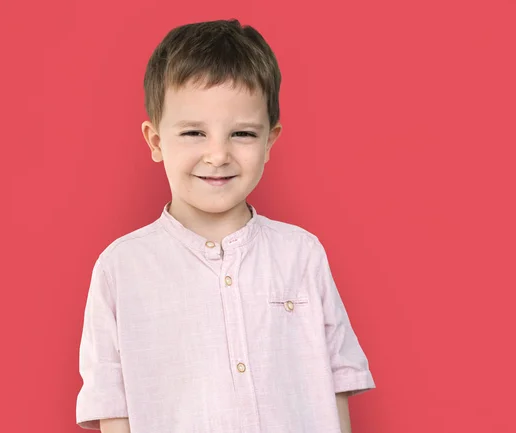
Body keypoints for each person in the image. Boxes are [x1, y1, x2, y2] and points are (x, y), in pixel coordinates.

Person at [75, 18, 375, 433]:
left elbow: (337, 381)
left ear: (270, 141)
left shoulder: (301, 254)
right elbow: (112, 404)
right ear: (156, 141)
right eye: (194, 132)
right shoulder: (121, 269)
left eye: (242, 133)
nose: (218, 155)